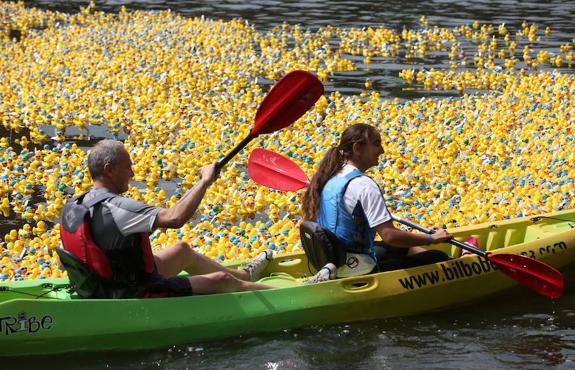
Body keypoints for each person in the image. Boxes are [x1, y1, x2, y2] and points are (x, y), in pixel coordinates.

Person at [60, 139, 273, 298]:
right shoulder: (116, 208)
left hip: (109, 281)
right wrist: (205, 182)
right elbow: (175, 218)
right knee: (222, 281)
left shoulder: (78, 204)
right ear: (109, 169)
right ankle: (285, 292)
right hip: (133, 293)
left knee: (181, 250)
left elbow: (109, 239)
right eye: (128, 167)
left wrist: (198, 184)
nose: (132, 173)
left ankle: (244, 276)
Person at [302, 123, 452, 282]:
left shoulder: (330, 177)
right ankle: (460, 263)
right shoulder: (364, 184)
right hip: (358, 271)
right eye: (376, 144)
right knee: (438, 256)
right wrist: (431, 239)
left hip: (334, 260)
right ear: (357, 148)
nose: (382, 150)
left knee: (401, 248)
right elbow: (390, 236)